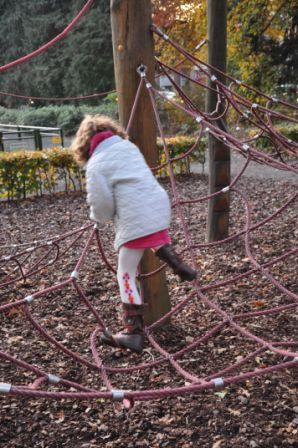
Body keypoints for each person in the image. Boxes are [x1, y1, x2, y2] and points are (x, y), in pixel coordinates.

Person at [72, 115, 197, 353]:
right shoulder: (127, 146)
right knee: (151, 237)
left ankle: (133, 332)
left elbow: (101, 202)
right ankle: (179, 265)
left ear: (84, 144)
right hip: (158, 204)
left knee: (126, 272)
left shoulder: (96, 163)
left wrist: (98, 218)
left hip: (136, 215)